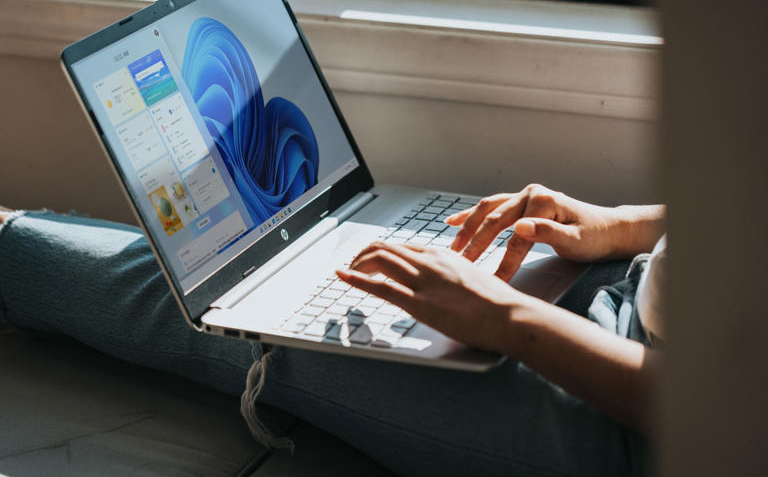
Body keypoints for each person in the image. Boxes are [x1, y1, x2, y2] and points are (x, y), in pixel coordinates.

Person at [0, 184, 665, 476]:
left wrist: (508, 318)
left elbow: (725, 417)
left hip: (643, 425)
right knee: (276, 265)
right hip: (635, 291)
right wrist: (628, 226)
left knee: (216, 304)